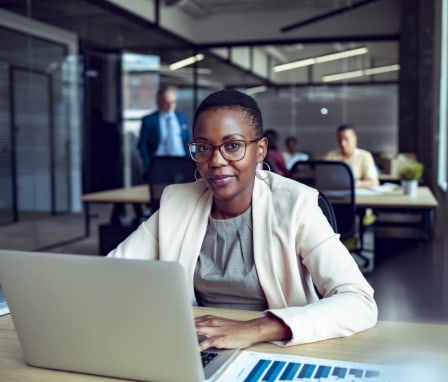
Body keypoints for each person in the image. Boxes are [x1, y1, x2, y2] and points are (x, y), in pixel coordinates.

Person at [108, 89, 377, 350]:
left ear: (260, 150)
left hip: (280, 347)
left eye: (233, 146)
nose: (215, 161)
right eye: (203, 147)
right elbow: (110, 274)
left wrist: (255, 329)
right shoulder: (177, 202)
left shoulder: (296, 205)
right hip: (201, 346)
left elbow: (359, 301)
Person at [137, 85, 191, 179]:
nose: (170, 106)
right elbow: (142, 145)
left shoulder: (181, 117)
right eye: (167, 102)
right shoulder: (149, 120)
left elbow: (187, 140)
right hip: (159, 163)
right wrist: (147, 164)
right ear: (158, 102)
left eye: (173, 102)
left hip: (181, 161)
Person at [325, 124, 379, 189]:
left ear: (355, 139)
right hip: (333, 195)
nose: (343, 143)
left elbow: (373, 182)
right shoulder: (330, 156)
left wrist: (356, 184)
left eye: (346, 139)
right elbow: (323, 179)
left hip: (357, 196)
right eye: (340, 140)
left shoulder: (365, 156)